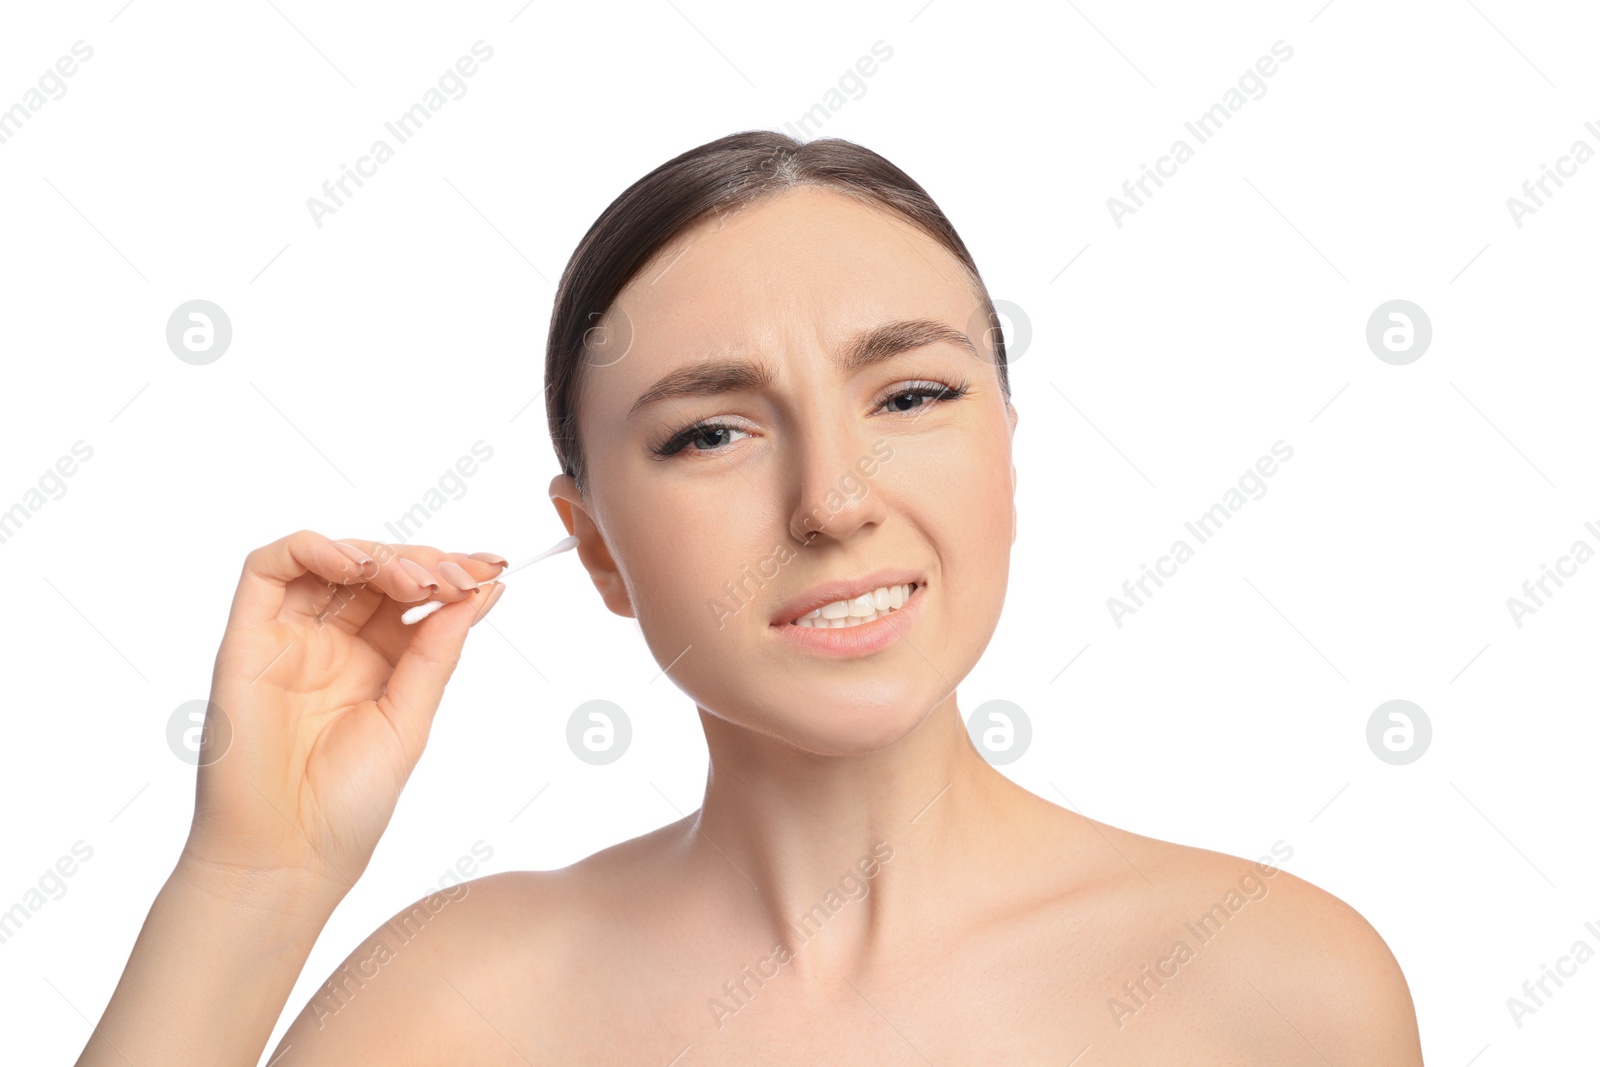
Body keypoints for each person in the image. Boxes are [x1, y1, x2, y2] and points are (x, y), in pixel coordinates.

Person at [78, 131, 1424, 1064]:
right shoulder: (452, 1007)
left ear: (1005, 450)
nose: (835, 500)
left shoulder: (1278, 989)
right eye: (711, 433)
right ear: (593, 545)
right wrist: (254, 878)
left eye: (911, 397)